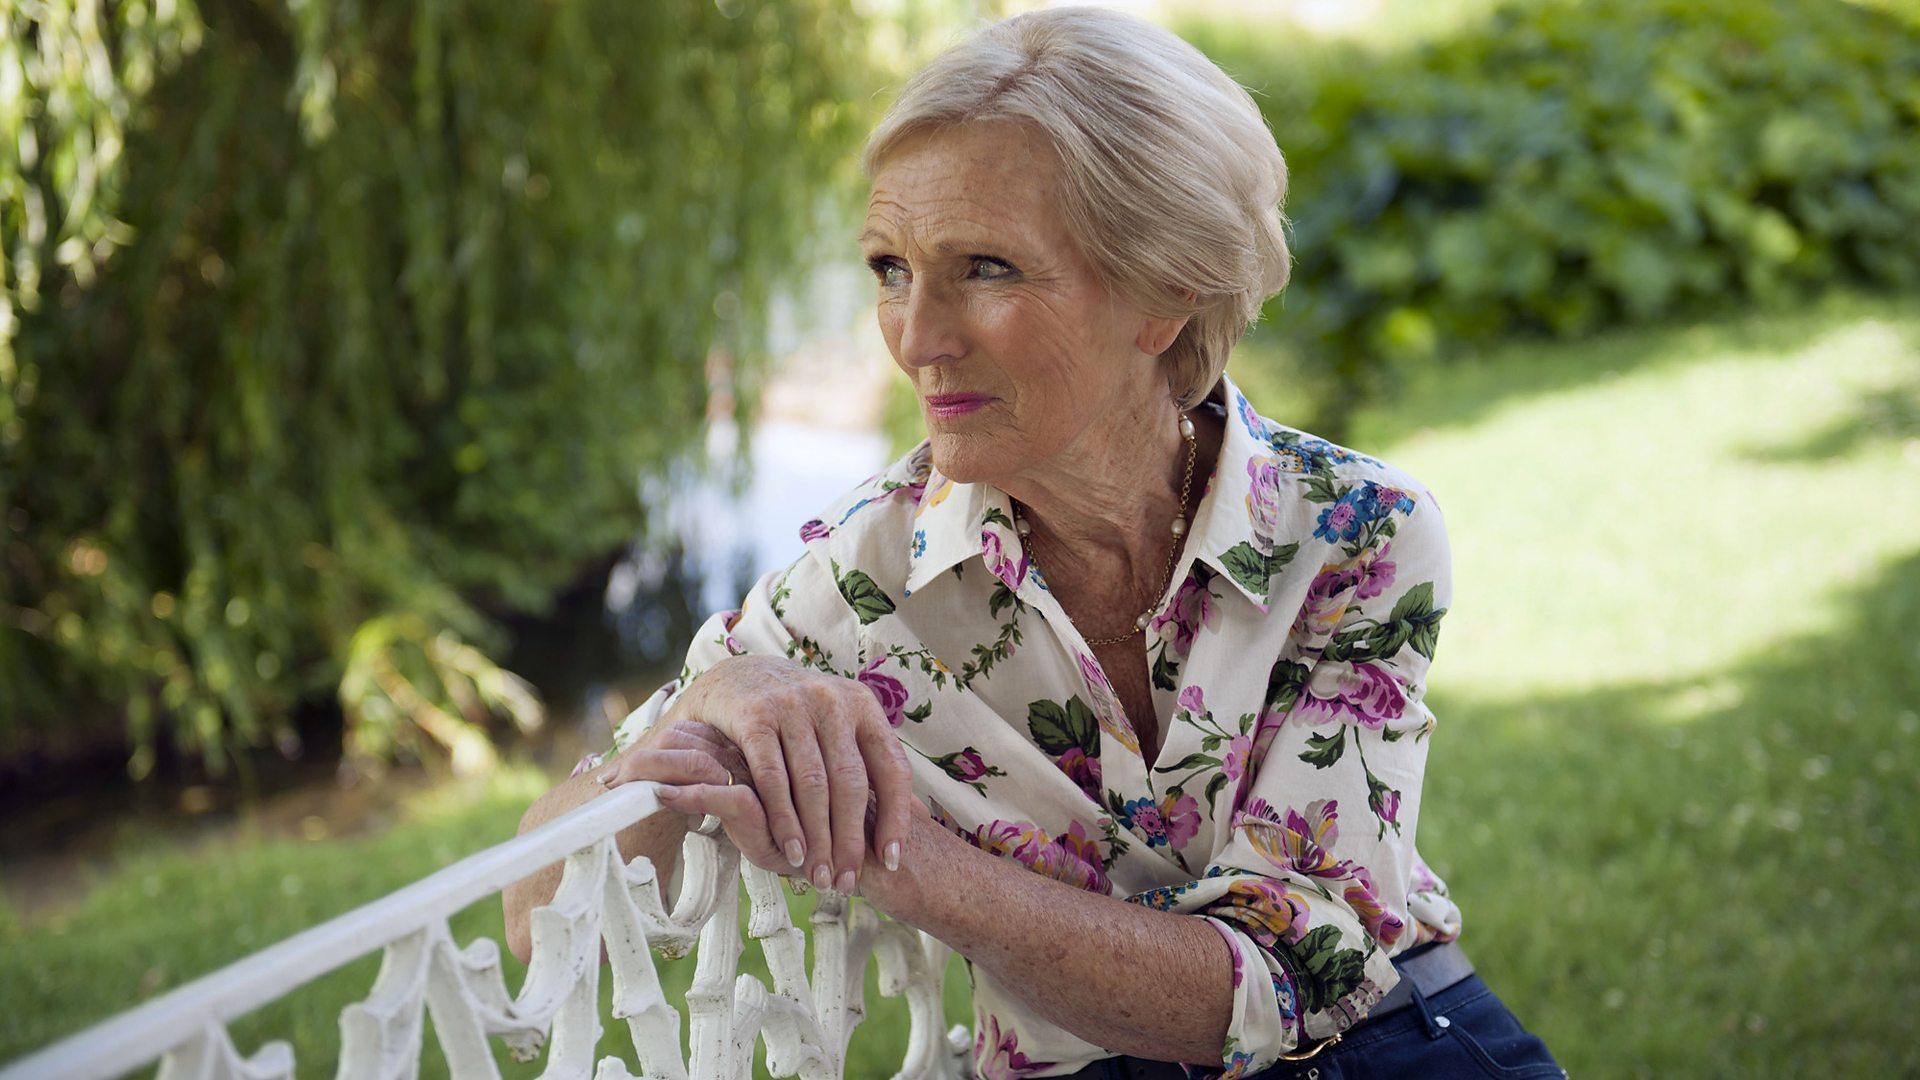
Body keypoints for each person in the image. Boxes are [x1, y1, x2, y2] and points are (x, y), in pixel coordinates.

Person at [504, 7, 1566, 1078]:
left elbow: (1288, 980)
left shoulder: (1354, 531)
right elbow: (538, 921)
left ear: (1166, 291)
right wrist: (703, 705)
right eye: (890, 269)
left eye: (988, 268)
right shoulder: (862, 587)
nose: (918, 339)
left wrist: (896, 854)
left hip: (1395, 1042)